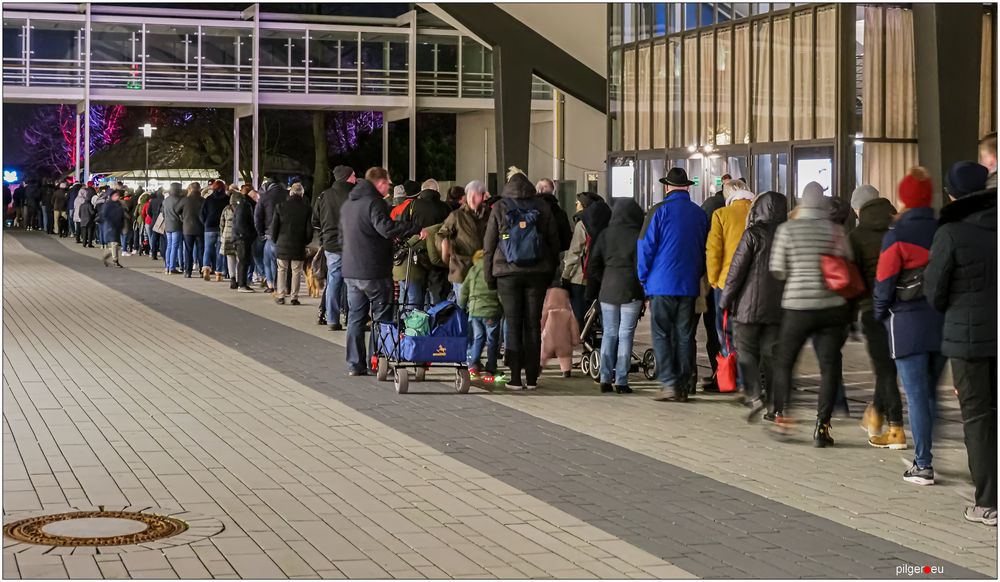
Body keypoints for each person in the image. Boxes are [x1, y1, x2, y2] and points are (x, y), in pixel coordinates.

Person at [925, 161, 997, 525]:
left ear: (951, 193)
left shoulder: (951, 233)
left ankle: (987, 502)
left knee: (979, 419)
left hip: (968, 342)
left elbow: (934, 293)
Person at [873, 167, 945, 483]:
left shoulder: (897, 234)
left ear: (903, 198)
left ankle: (923, 463)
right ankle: (929, 449)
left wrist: (878, 313)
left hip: (908, 324)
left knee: (915, 395)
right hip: (942, 322)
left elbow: (884, 281)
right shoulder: (945, 229)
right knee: (930, 393)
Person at [769, 182, 851, 445]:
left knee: (785, 362)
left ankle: (783, 418)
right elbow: (846, 263)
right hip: (831, 308)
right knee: (829, 367)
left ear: (801, 202)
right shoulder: (836, 230)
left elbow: (778, 269)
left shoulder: (787, 229)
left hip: (797, 307)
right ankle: (823, 427)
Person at [483, 168, 562, 390]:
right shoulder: (542, 206)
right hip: (537, 273)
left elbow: (489, 246)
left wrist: (490, 277)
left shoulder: (500, 207)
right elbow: (554, 242)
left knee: (513, 324)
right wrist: (549, 271)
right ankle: (533, 378)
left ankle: (515, 379)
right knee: (533, 325)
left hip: (506, 274)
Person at [340, 167, 422, 376]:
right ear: (380, 183)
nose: (389, 187)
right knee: (382, 317)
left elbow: (342, 237)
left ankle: (354, 364)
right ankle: (375, 362)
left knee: (355, 318)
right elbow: (385, 228)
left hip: (351, 270)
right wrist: (411, 228)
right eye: (388, 183)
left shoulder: (349, 204)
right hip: (374, 271)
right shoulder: (374, 202)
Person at [638, 168, 710, 402]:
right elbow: (704, 249)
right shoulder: (700, 214)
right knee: (685, 335)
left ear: (666, 187)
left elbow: (645, 248)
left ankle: (669, 382)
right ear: (687, 187)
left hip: (661, 285)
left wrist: (643, 278)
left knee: (660, 333)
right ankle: (685, 384)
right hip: (688, 285)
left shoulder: (658, 211)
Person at [718, 191, 788, 420]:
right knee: (772, 356)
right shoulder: (787, 235)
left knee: (746, 352)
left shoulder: (753, 235)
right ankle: (776, 408)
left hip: (748, 308)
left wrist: (726, 299)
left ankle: (755, 395)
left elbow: (736, 272)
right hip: (777, 310)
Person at [846, 184, 905, 446]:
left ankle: (895, 428)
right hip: (904, 309)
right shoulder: (901, 227)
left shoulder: (856, 236)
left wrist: (850, 316)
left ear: (858, 209)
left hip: (872, 310)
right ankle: (875, 414)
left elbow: (850, 280)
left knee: (885, 370)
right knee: (890, 369)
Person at [585, 198, 645, 394]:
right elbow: (642, 266)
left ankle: (604, 378)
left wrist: (604, 279)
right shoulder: (638, 236)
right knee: (625, 335)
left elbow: (593, 265)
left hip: (608, 291)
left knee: (609, 333)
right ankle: (621, 380)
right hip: (631, 289)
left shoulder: (605, 235)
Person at [706, 179, 756, 391]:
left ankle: (730, 378)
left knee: (725, 331)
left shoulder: (722, 215)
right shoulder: (758, 213)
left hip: (726, 282)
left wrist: (714, 280)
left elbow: (714, 251)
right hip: (754, 283)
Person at [562, 193, 611, 328]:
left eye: (577, 203)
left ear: (584, 205)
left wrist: (565, 275)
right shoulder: (610, 220)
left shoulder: (582, 223)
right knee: (602, 314)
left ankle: (585, 341)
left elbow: (575, 253)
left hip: (581, 276)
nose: (575, 206)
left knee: (581, 317)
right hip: (603, 275)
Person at [316, 165, 355, 330]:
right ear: (347, 177)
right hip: (352, 244)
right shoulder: (355, 195)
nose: (355, 178)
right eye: (353, 176)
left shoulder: (324, 196)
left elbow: (315, 220)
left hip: (331, 244)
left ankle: (332, 319)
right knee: (352, 282)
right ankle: (351, 317)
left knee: (333, 281)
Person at [438, 180, 489, 300]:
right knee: (462, 306)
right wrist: (446, 251)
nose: (472, 198)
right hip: (461, 269)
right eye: (470, 195)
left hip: (483, 270)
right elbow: (441, 235)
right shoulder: (456, 215)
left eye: (476, 195)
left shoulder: (489, 214)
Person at [458, 250, 504, 382]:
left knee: (478, 338)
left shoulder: (473, 270)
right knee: (492, 341)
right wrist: (504, 308)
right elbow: (499, 292)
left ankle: (472, 366)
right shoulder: (494, 270)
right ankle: (490, 370)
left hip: (474, 310)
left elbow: (464, 290)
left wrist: (461, 306)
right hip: (490, 310)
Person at [271, 182, 313, 305]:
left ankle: (281, 295)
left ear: (290, 192)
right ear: (302, 193)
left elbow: (274, 227)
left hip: (282, 242)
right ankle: (294, 297)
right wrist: (306, 241)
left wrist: (275, 240)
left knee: (281, 269)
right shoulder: (306, 209)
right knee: (296, 271)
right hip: (298, 244)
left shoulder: (280, 206)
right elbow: (309, 230)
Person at [255, 177, 288, 294]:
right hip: (286, 233)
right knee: (282, 262)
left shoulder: (265, 197)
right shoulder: (287, 195)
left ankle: (272, 284)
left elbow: (258, 216)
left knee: (268, 261)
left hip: (269, 233)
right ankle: (283, 285)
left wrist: (260, 233)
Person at [540, 286, 581, 378]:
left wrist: (540, 331)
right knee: (565, 355)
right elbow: (574, 327)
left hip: (548, 337)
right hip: (564, 340)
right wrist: (575, 340)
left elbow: (541, 321)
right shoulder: (569, 314)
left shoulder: (547, 312)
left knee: (544, 353)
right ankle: (566, 371)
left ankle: (540, 366)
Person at [200, 179, 230, 281]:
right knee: (220, 251)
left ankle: (206, 270)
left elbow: (202, 213)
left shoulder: (208, 199)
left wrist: (205, 223)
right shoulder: (227, 199)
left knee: (207, 249)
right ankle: (218, 273)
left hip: (209, 227)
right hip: (223, 227)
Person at [535, 178, 573, 252]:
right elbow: (566, 240)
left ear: (540, 190)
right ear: (553, 191)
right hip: (555, 255)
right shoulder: (560, 213)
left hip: (535, 254)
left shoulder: (532, 209)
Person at [232, 187, 258, 293]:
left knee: (243, 261)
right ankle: (242, 284)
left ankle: (242, 283)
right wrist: (248, 235)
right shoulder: (245, 205)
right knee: (243, 261)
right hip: (242, 237)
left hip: (241, 236)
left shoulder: (243, 204)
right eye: (256, 196)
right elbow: (241, 223)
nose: (257, 198)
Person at [179, 182, 206, 278]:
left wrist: (183, 217)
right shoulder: (203, 200)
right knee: (201, 250)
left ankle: (188, 271)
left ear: (190, 189)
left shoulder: (185, 200)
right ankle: (202, 271)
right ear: (199, 189)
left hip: (187, 228)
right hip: (200, 228)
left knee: (188, 250)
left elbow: (177, 210)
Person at [162, 182, 184, 273]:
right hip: (177, 225)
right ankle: (172, 267)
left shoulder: (165, 200)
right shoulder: (180, 200)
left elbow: (163, 214)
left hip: (168, 225)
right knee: (175, 246)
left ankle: (167, 266)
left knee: (169, 246)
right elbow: (182, 214)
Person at [100, 190, 125, 267]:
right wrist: (110, 223)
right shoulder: (108, 205)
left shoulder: (119, 204)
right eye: (115, 195)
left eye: (118, 195)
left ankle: (105, 255)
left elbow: (121, 215)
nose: (117, 197)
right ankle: (115, 261)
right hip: (110, 226)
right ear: (111, 196)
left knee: (116, 246)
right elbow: (104, 215)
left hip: (117, 226)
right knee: (115, 244)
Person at [219, 190, 239, 289]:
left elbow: (221, 224)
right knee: (239, 258)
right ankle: (239, 278)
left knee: (230, 258)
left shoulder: (226, 210)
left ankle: (232, 278)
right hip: (238, 236)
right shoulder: (241, 209)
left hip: (227, 236)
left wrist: (222, 234)